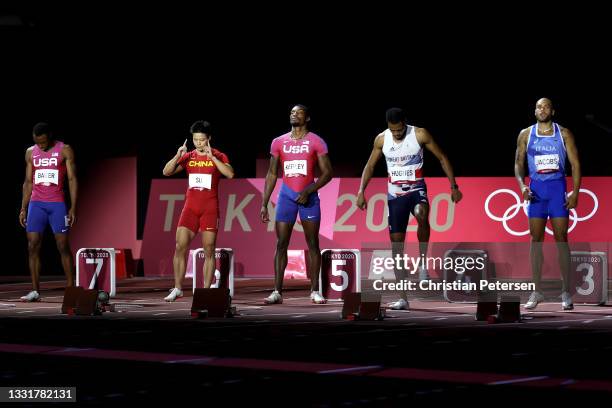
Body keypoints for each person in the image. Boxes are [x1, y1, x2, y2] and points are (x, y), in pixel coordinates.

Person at [357, 108, 462, 310]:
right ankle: (403, 298)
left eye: (399, 130)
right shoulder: (381, 139)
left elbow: (442, 157)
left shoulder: (420, 134)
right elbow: (369, 166)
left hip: (416, 189)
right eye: (393, 130)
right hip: (395, 196)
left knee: (422, 215)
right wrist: (361, 191)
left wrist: (453, 186)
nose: (397, 134)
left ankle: (423, 264)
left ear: (405, 122)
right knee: (397, 248)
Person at [260, 105, 333, 304]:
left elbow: (328, 173)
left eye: (299, 112)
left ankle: (315, 290)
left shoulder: (316, 141)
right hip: (286, 197)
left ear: (307, 118)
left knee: (313, 244)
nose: (294, 114)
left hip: (308, 198)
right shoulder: (278, 142)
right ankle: (277, 292)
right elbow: (273, 173)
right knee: (281, 243)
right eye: (292, 112)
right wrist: (264, 203)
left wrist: (309, 190)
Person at [515, 98, 581, 311]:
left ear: (552, 110)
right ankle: (537, 291)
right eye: (538, 106)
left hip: (556, 192)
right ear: (534, 111)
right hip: (536, 193)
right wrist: (522, 187)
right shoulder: (526, 134)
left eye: (546, 106)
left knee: (562, 238)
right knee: (536, 239)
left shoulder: (564, 133)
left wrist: (576, 193)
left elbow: (575, 164)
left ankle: (565, 291)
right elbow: (518, 163)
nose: (542, 109)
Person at [162, 120, 234, 302]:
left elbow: (230, 174)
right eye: (196, 140)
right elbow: (167, 172)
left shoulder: (218, 155)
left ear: (209, 138)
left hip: (209, 209)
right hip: (190, 209)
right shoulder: (189, 156)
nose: (199, 143)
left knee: (209, 250)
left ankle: (206, 290)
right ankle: (178, 288)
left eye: (202, 140)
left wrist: (213, 158)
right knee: (180, 247)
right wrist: (178, 155)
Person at [19, 122, 78, 302]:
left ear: (50, 136)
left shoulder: (64, 150)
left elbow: (72, 178)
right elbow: (28, 182)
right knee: (32, 246)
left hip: (57, 204)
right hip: (36, 203)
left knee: (62, 246)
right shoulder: (30, 152)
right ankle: (35, 290)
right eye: (38, 142)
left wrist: (73, 207)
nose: (41, 146)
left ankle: (71, 290)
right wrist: (23, 207)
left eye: (44, 143)